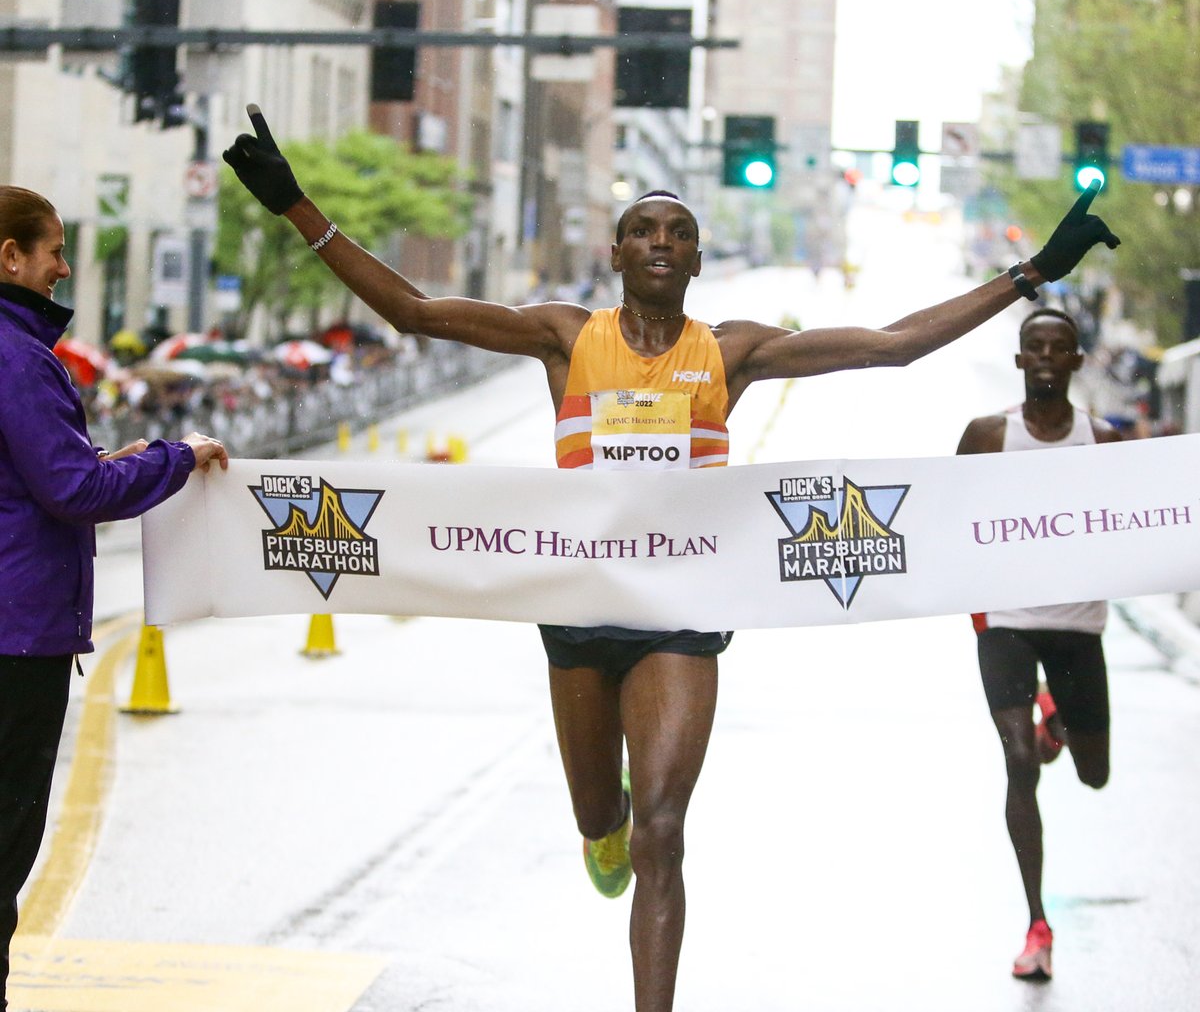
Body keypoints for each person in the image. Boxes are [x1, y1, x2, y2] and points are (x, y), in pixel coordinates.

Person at [223, 106, 1119, 1012]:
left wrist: (1032, 272)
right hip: (578, 608)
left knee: (663, 833)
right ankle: (597, 827)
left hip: (681, 617)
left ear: (696, 260)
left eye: (679, 232)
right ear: (616, 256)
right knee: (605, 825)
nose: (661, 240)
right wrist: (296, 205)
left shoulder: (731, 352)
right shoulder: (566, 336)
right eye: (643, 230)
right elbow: (414, 310)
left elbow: (893, 347)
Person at [0, 186, 229, 1011]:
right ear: (10, 258)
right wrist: (175, 457)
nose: (63, 267)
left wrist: (110, 464)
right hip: (16, 635)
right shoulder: (17, 354)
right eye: (53, 250)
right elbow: (65, 487)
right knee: (5, 842)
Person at [956, 307, 1121, 984]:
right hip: (1007, 621)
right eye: (1035, 347)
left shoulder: (1105, 439)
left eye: (1061, 348)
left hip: (1078, 625)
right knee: (1018, 761)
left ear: (1079, 361)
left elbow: (1140, 521)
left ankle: (1056, 717)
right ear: (1020, 360)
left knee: (1093, 773)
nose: (1048, 356)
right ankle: (1037, 924)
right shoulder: (987, 434)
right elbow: (947, 516)